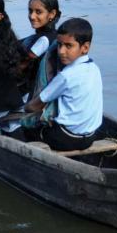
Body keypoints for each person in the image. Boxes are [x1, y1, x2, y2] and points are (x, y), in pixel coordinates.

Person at [24, 18, 103, 151]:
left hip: (66, 138)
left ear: (85, 47)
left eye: (68, 46)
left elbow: (35, 106)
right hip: (90, 137)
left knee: (27, 128)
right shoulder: (94, 68)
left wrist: (24, 109)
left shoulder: (66, 76)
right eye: (59, 45)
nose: (61, 51)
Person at [19, 0, 61, 98]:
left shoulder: (44, 40)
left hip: (30, 94)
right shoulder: (51, 35)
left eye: (38, 12)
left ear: (51, 14)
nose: (32, 16)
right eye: (30, 11)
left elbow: (22, 65)